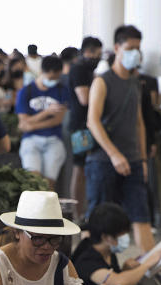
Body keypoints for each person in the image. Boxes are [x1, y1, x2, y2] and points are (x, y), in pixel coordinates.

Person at [86, 25, 155, 252]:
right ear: (117, 48)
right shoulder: (102, 81)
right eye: (130, 47)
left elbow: (139, 122)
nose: (135, 52)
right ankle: (88, 271)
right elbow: (92, 121)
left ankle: (153, 273)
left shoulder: (136, 82)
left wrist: (143, 159)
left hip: (133, 160)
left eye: (138, 48)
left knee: (141, 215)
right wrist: (114, 154)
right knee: (97, 219)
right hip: (103, 161)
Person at [71, 202, 161, 285]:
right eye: (122, 234)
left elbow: (115, 276)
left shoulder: (107, 250)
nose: (125, 237)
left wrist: (126, 269)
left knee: (140, 276)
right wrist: (147, 264)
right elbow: (117, 283)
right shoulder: (86, 259)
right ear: (106, 237)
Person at [16, 55, 70, 190]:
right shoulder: (26, 91)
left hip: (53, 140)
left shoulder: (62, 90)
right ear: (42, 72)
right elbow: (22, 121)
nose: (53, 81)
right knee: (33, 182)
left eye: (56, 78)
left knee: (48, 185)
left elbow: (57, 120)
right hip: (31, 141)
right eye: (51, 78)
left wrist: (31, 125)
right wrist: (46, 113)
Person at [69, 36, 103, 217]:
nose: (99, 58)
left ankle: (84, 212)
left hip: (87, 125)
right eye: (97, 54)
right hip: (81, 127)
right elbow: (84, 98)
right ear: (88, 52)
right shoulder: (79, 69)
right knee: (80, 169)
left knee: (85, 169)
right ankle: (78, 213)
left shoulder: (88, 70)